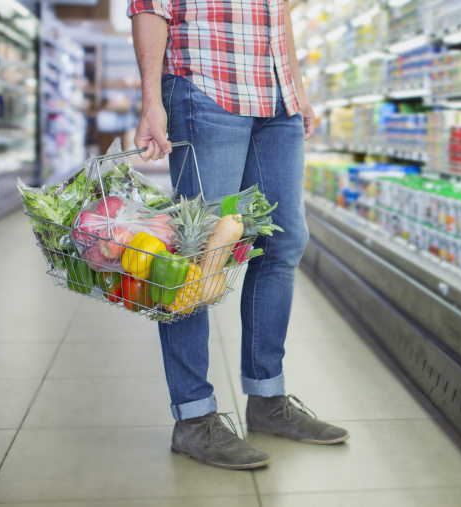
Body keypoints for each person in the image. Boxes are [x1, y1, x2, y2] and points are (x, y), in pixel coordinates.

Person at [127, 0, 348, 469]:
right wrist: (151, 100)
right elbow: (149, 6)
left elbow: (278, 11)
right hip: (208, 86)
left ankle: (267, 398)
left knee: (283, 242)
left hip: (277, 96)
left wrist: (299, 91)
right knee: (197, 254)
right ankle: (193, 417)